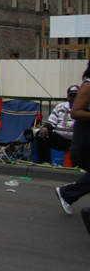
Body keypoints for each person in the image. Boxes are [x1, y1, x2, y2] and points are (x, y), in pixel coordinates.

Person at [55, 65, 90, 217]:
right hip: (85, 141)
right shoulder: (88, 84)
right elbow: (75, 112)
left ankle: (67, 193)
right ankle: (67, 194)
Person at [38, 85, 77, 166]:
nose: (73, 98)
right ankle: (43, 162)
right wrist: (45, 128)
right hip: (61, 139)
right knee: (40, 133)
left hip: (77, 141)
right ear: (67, 96)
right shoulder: (60, 107)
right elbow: (51, 122)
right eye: (71, 96)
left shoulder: (85, 107)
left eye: (75, 96)